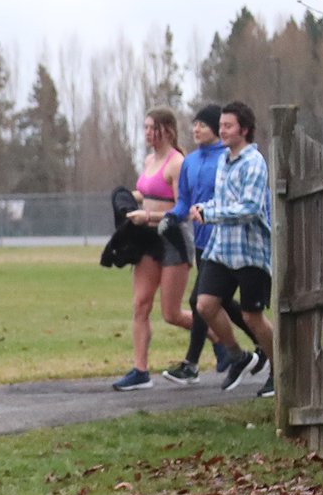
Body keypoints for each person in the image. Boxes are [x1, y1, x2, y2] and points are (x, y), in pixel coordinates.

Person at [163, 102, 254, 383]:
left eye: (202, 124)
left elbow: (232, 201)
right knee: (218, 302)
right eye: (194, 124)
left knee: (199, 301)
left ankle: (195, 363)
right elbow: (184, 202)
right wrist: (171, 217)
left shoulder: (226, 160)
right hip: (202, 243)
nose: (196, 129)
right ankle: (255, 347)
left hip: (225, 241)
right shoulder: (190, 162)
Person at [193, 101, 278, 396]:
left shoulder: (254, 163)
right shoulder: (223, 161)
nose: (222, 130)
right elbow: (223, 202)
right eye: (221, 125)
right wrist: (204, 207)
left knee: (253, 317)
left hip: (250, 253)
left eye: (228, 126)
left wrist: (211, 214)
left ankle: (280, 371)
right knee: (204, 305)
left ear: (244, 129)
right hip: (221, 250)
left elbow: (250, 208)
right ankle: (238, 356)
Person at [109, 108, 195, 390]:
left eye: (151, 128)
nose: (146, 133)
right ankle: (140, 371)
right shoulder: (148, 160)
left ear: (166, 129)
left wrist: (148, 216)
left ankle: (222, 341)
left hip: (173, 239)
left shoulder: (177, 163)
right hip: (148, 240)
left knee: (172, 313)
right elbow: (147, 193)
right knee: (140, 304)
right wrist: (125, 197)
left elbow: (183, 210)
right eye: (145, 127)